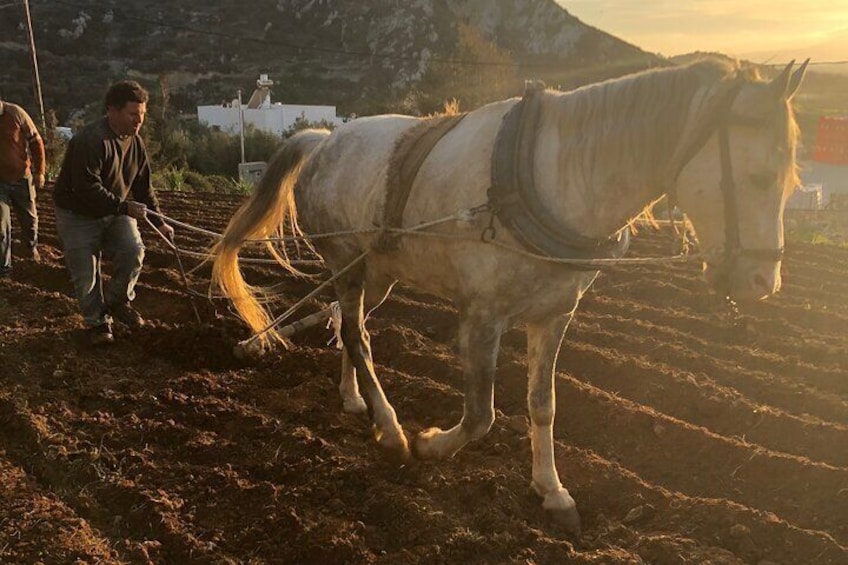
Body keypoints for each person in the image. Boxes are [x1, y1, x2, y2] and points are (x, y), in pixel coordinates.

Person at [53, 80, 174, 345]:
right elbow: (85, 187)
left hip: (114, 208)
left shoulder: (136, 142)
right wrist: (123, 207)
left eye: (141, 115)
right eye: (133, 114)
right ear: (112, 110)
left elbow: (143, 186)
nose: (138, 121)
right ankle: (97, 323)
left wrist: (159, 221)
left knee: (133, 249)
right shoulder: (90, 140)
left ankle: (119, 300)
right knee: (86, 271)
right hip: (78, 214)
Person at [0, 97, 46, 278]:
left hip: (21, 177)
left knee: (29, 219)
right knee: (1, 225)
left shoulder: (15, 113)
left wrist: (39, 171)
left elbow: (36, 141)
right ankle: (4, 269)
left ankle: (30, 247)